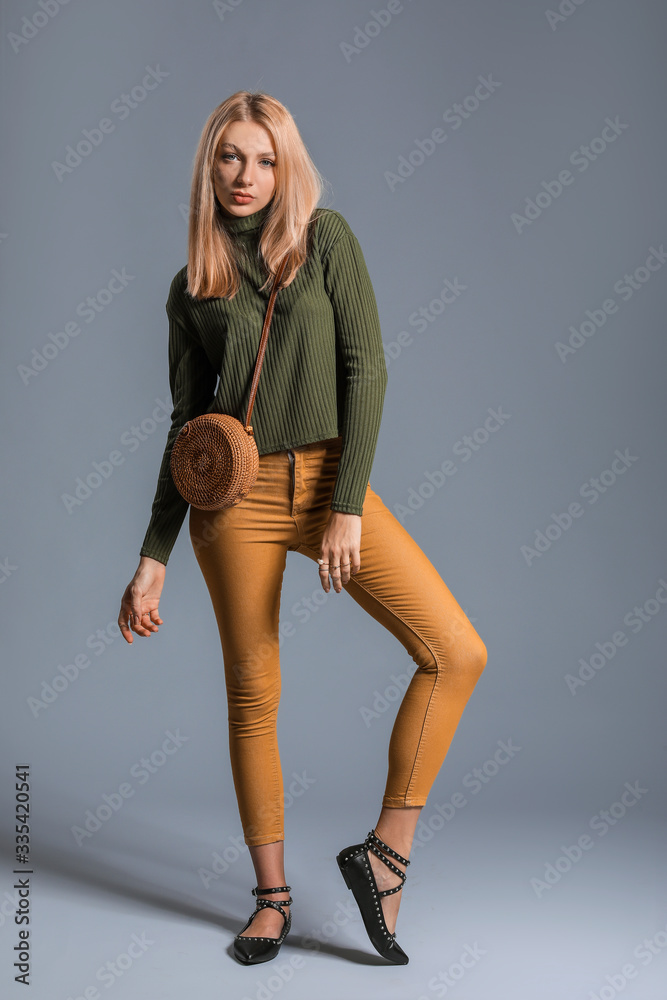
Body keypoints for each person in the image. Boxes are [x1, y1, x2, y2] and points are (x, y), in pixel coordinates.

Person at [118, 91, 488, 967]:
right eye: (229, 157)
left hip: (328, 480)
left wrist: (347, 505)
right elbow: (185, 428)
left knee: (454, 651)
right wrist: (151, 557)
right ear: (208, 166)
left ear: (288, 168)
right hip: (231, 503)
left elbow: (367, 368)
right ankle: (270, 900)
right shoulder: (192, 286)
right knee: (254, 693)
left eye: (264, 159)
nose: (246, 176)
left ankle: (383, 856)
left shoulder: (326, 240)